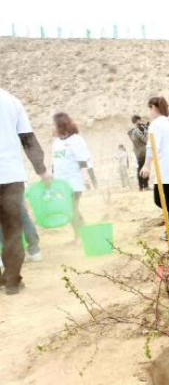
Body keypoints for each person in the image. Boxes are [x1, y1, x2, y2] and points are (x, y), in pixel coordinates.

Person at [0, 88, 51, 295]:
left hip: (10, 175)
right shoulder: (11, 101)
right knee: (12, 229)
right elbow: (28, 139)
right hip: (10, 176)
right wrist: (42, 170)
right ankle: (12, 281)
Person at [140, 97, 169, 239]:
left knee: (161, 201)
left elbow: (152, 146)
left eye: (150, 109)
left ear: (153, 107)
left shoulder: (156, 124)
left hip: (165, 171)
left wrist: (147, 165)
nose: (150, 113)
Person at [52, 112, 96, 241]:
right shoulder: (56, 142)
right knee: (69, 209)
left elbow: (82, 161)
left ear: (60, 125)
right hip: (61, 183)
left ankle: (84, 236)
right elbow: (55, 162)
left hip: (74, 181)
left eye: (54, 124)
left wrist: (85, 178)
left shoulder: (76, 140)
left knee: (72, 209)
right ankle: (80, 235)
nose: (53, 127)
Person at [128, 115, 150, 191]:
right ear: (137, 121)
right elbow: (146, 140)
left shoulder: (131, 132)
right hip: (143, 153)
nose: (141, 122)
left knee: (139, 169)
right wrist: (146, 131)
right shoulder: (137, 131)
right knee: (145, 168)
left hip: (137, 153)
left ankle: (141, 187)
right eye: (140, 121)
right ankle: (146, 186)